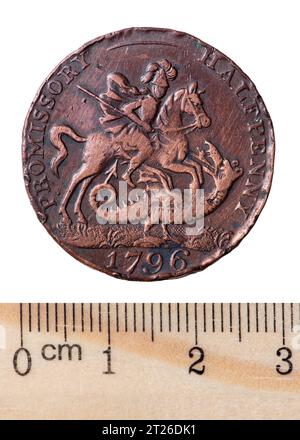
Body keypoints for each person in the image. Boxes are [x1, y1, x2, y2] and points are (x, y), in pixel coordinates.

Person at [99, 59, 177, 187]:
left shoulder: (155, 101)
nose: (163, 91)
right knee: (147, 148)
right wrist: (142, 123)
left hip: (144, 129)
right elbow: (126, 109)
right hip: (134, 130)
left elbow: (150, 120)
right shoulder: (145, 99)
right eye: (160, 87)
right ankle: (128, 173)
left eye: (164, 88)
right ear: (154, 86)